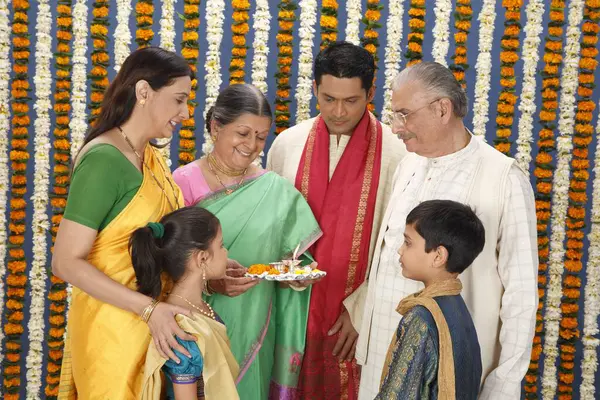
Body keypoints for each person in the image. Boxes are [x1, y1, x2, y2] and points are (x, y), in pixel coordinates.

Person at [357, 61, 538, 400]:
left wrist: (504, 384)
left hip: (446, 365)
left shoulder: (503, 179)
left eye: (404, 114)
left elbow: (522, 294)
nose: (396, 127)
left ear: (442, 108)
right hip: (383, 353)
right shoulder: (408, 164)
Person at [52, 47, 197, 399]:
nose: (187, 113)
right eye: (179, 100)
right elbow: (65, 262)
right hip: (114, 332)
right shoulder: (105, 160)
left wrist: (209, 269)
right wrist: (148, 309)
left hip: (156, 328)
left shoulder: (148, 155)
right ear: (144, 92)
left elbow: (157, 241)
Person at [267, 41, 406, 399]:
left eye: (352, 100)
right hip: (291, 307)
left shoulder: (397, 154)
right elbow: (270, 230)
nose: (339, 111)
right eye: (328, 99)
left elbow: (397, 245)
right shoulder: (288, 145)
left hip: (360, 312)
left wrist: (361, 311)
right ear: (314, 89)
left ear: (371, 93)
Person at [172, 83, 323, 399]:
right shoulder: (183, 183)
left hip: (257, 321)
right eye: (243, 133)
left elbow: (298, 260)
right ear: (216, 127)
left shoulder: (274, 189)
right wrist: (211, 284)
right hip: (196, 322)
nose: (252, 145)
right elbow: (166, 260)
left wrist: (290, 277)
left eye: (260, 136)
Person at [376, 200, 483, 400]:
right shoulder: (458, 308)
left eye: (408, 242)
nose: (400, 250)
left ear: (438, 256)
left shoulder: (421, 317)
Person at [133, 207, 239, 400]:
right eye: (222, 246)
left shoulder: (198, 308)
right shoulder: (182, 330)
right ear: (203, 258)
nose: (226, 253)